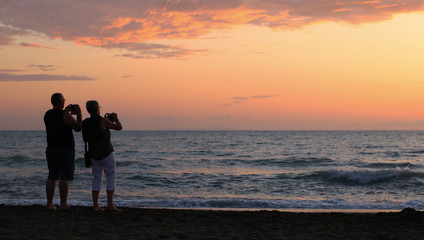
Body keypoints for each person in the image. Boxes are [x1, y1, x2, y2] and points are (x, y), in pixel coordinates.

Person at [44, 93, 82, 210]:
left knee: (52, 176)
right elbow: (78, 128)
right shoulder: (64, 115)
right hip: (65, 149)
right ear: (61, 102)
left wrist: (65, 111)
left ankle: (49, 204)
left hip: (51, 148)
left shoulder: (47, 114)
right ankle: (63, 204)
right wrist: (79, 114)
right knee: (64, 177)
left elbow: (58, 121)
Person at [82, 100, 122, 211]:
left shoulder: (85, 122)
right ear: (97, 109)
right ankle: (110, 205)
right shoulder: (103, 121)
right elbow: (119, 127)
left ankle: (96, 205)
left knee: (96, 179)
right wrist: (115, 119)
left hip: (93, 154)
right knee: (111, 177)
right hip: (106, 153)